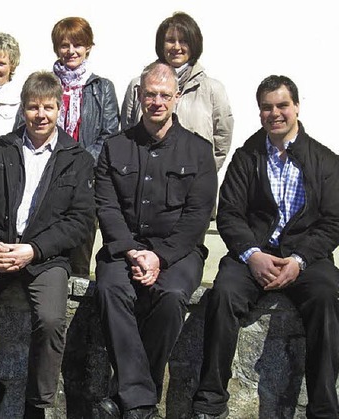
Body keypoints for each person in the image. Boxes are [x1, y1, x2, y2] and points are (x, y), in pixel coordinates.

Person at [0, 71, 95, 419]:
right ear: (22, 109)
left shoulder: (78, 158)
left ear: (60, 110)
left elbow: (80, 220)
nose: (40, 115)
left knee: (52, 319)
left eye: (48, 107)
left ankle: (36, 404)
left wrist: (34, 250)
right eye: (33, 107)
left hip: (45, 258)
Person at [191, 76, 339, 419]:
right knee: (224, 293)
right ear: (259, 112)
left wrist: (299, 261)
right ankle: (210, 403)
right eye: (267, 107)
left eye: (282, 105)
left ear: (297, 107)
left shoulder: (325, 161)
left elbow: (332, 222)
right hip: (253, 254)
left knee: (326, 294)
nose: (275, 113)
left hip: (305, 257)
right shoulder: (247, 157)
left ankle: (324, 408)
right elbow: (228, 213)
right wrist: (252, 255)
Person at [94, 62, 217, 419]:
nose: (157, 102)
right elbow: (107, 206)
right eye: (151, 94)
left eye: (165, 95)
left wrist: (157, 257)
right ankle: (142, 402)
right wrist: (133, 251)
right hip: (124, 248)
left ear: (177, 97)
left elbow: (197, 217)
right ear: (139, 96)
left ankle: (128, 396)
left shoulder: (198, 150)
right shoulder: (115, 147)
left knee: (172, 295)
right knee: (110, 290)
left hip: (178, 253)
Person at [50, 16, 120, 277]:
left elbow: (110, 134)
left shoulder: (101, 88)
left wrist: (79, 163)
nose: (71, 51)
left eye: (77, 45)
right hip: (48, 173)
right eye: (65, 45)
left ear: (89, 46)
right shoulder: (45, 85)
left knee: (79, 245)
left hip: (86, 177)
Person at [121, 12, 233, 172]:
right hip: (145, 177)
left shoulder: (212, 89)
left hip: (192, 181)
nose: (177, 47)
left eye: (184, 41)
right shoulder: (137, 85)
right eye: (170, 40)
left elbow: (222, 138)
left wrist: (204, 172)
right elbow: (127, 131)